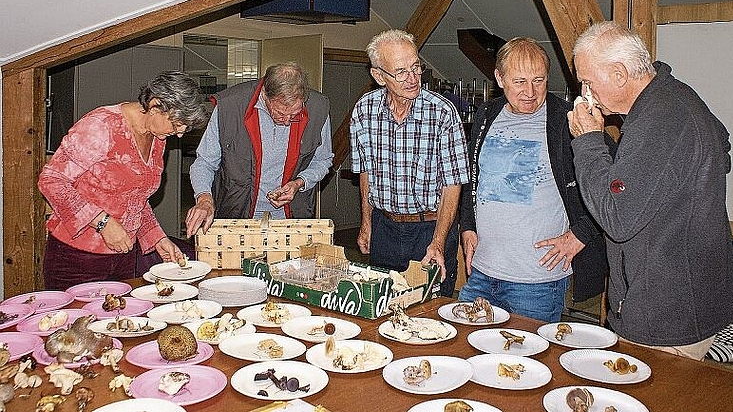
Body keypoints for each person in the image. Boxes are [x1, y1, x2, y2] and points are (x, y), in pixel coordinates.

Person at [567, 21, 733, 359]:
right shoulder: (673, 96)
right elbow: (722, 145)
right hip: (680, 303)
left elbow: (616, 218)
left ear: (619, 74)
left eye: (587, 81)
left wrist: (588, 142)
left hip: (667, 320)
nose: (585, 92)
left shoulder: (659, 119)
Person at [457, 37, 610, 323]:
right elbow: (472, 178)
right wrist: (468, 226)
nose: (530, 92)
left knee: (527, 365)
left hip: (537, 283)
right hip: (481, 273)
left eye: (539, 80)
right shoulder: (486, 114)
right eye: (520, 82)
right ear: (499, 78)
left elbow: (614, 184)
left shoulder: (568, 119)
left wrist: (581, 234)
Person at [38, 71, 209, 290]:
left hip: (124, 256)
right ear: (155, 105)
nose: (179, 134)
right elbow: (51, 180)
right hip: (76, 258)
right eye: (177, 124)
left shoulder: (157, 137)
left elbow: (134, 198)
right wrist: (103, 222)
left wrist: (157, 237)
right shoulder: (101, 126)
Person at [350, 29, 469, 297]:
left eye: (416, 67)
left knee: (430, 312)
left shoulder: (442, 113)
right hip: (384, 229)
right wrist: (367, 224)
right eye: (401, 72)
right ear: (379, 76)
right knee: (382, 307)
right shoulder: (364, 111)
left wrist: (438, 242)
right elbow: (366, 172)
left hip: (430, 229)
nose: (413, 78)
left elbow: (453, 184)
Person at [185, 62, 333, 236]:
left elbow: (323, 160)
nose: (286, 121)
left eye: (294, 115)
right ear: (265, 95)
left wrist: (299, 182)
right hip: (237, 217)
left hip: (292, 219)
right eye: (279, 113)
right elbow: (204, 163)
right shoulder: (229, 107)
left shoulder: (318, 108)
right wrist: (204, 199)